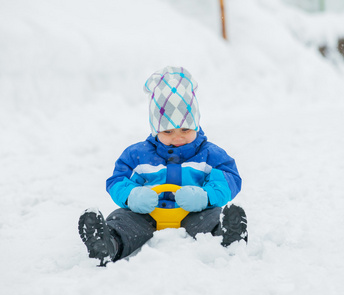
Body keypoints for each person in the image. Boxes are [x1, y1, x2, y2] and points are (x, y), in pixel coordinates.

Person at [78, 66, 247, 266]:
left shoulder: (210, 154)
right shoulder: (137, 154)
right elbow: (117, 180)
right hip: (146, 213)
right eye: (167, 132)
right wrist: (133, 196)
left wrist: (206, 196)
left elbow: (230, 178)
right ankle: (108, 244)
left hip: (194, 212)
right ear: (155, 130)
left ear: (196, 124)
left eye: (185, 129)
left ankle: (228, 235)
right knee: (123, 219)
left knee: (211, 218)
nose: (177, 138)